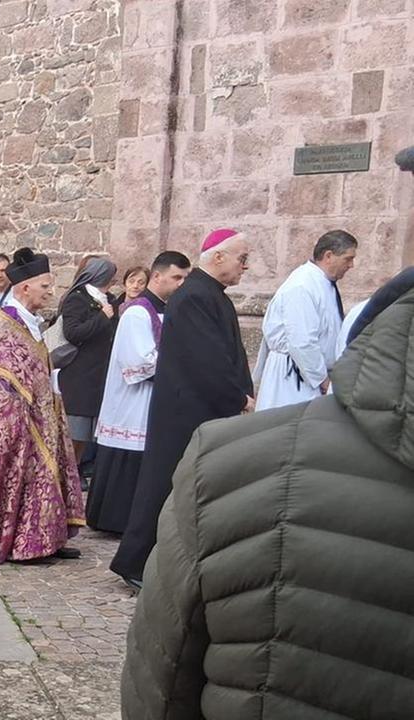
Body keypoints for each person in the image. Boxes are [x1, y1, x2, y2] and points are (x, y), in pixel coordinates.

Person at [121, 277, 414, 720]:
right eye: (240, 258)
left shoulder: (229, 459)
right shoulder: (215, 298)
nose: (244, 268)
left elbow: (162, 679)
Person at [111, 228, 254, 589]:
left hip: (198, 408)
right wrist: (238, 397)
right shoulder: (194, 297)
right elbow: (206, 360)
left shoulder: (210, 295)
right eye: (242, 258)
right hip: (184, 411)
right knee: (163, 486)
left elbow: (226, 354)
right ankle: (136, 562)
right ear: (218, 256)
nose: (246, 266)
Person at [0, 248, 85, 564]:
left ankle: (48, 539)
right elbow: (0, 379)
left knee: (47, 473)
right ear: (25, 287)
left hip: (43, 412)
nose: (50, 292)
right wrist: (23, 412)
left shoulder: (30, 321)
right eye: (45, 286)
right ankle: (25, 544)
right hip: (18, 418)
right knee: (26, 476)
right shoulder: (4, 323)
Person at [86, 252, 190, 535]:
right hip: (133, 401)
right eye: (176, 277)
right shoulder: (137, 313)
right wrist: (183, 366)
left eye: (185, 278)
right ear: (157, 276)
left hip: (154, 400)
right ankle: (116, 520)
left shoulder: (167, 311)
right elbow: (139, 362)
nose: (181, 284)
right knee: (128, 457)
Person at [253, 229, 358, 411]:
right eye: (348, 259)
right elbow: (302, 341)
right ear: (329, 256)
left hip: (309, 374)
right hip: (293, 378)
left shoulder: (321, 282)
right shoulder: (302, 285)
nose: (351, 265)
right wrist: (322, 380)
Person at [57, 257, 118, 464]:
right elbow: (73, 332)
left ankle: (76, 473)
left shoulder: (108, 299)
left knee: (85, 439)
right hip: (79, 378)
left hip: (98, 377)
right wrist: (102, 317)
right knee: (74, 436)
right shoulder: (77, 298)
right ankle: (66, 476)